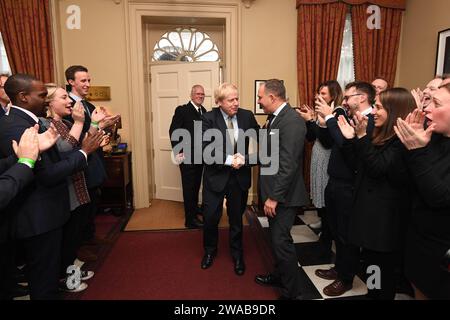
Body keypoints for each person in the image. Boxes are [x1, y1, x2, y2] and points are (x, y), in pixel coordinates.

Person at [0, 73, 103, 299]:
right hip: (38, 216)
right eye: (42, 95)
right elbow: (45, 175)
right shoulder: (17, 126)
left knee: (46, 274)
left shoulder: (27, 120)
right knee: (43, 279)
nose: (45, 100)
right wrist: (85, 152)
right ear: (23, 97)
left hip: (45, 213)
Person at [337, 88, 416, 299]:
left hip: (385, 225)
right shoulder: (381, 135)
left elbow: (378, 168)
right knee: (373, 270)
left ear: (394, 110)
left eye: (379, 107)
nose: (373, 112)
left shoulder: (402, 141)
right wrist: (352, 140)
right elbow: (359, 165)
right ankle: (373, 294)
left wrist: (361, 137)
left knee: (382, 275)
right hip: (370, 219)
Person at [42, 84, 109, 292]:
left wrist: (96, 124)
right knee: (66, 241)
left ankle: (71, 271)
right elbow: (65, 150)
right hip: (65, 190)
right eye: (64, 98)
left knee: (74, 238)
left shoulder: (65, 122)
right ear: (49, 103)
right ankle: (65, 278)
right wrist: (81, 123)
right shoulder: (45, 124)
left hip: (77, 185)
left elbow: (82, 145)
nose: (70, 101)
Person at [314, 81, 375, 297]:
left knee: (347, 235)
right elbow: (333, 142)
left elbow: (346, 147)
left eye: (349, 96)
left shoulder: (371, 121)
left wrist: (330, 118)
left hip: (349, 185)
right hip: (336, 181)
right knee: (337, 230)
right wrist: (326, 121)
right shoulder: (352, 117)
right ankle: (339, 269)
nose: (345, 100)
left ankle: (346, 279)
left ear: (362, 97)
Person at [394, 84, 450, 299]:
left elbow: (438, 197)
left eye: (436, 103)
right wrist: (408, 144)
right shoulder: (433, 137)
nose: (426, 108)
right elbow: (403, 180)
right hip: (419, 238)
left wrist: (416, 151)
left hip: (442, 247)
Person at [254, 79, 308, 300]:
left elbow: (288, 164)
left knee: (281, 242)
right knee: (276, 240)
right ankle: (279, 276)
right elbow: (269, 155)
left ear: (273, 97)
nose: (259, 101)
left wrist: (274, 197)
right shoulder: (275, 118)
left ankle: (292, 293)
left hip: (284, 196)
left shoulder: (292, 122)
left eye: (260, 97)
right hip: (275, 192)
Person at [200, 83, 259, 275]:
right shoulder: (207, 118)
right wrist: (229, 160)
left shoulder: (247, 116)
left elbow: (262, 135)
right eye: (231, 100)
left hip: (238, 179)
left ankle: (237, 254)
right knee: (210, 218)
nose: (236, 103)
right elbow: (204, 150)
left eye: (237, 98)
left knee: (236, 220)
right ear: (219, 102)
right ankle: (210, 251)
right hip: (215, 177)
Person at [64, 65, 119, 261]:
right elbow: (74, 139)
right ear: (71, 82)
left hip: (94, 160)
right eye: (83, 81)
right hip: (79, 161)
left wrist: (107, 126)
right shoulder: (67, 105)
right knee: (80, 207)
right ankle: (79, 247)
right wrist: (98, 125)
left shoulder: (88, 105)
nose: (88, 84)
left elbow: (95, 133)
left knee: (92, 202)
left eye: (89, 80)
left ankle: (89, 237)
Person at [296, 80, 343, 255]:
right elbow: (310, 137)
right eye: (318, 93)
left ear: (333, 95)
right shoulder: (321, 112)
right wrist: (310, 120)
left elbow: (327, 140)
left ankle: (327, 235)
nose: (318, 96)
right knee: (319, 193)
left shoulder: (337, 112)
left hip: (327, 158)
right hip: (318, 156)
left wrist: (313, 121)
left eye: (323, 94)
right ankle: (324, 225)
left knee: (326, 196)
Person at [169, 85, 207, 229]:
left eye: (202, 94)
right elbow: (173, 131)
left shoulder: (204, 111)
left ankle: (194, 210)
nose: (200, 96)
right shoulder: (182, 110)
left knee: (196, 186)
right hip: (186, 157)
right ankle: (190, 220)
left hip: (200, 157)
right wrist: (178, 152)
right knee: (189, 188)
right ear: (191, 95)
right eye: (197, 93)